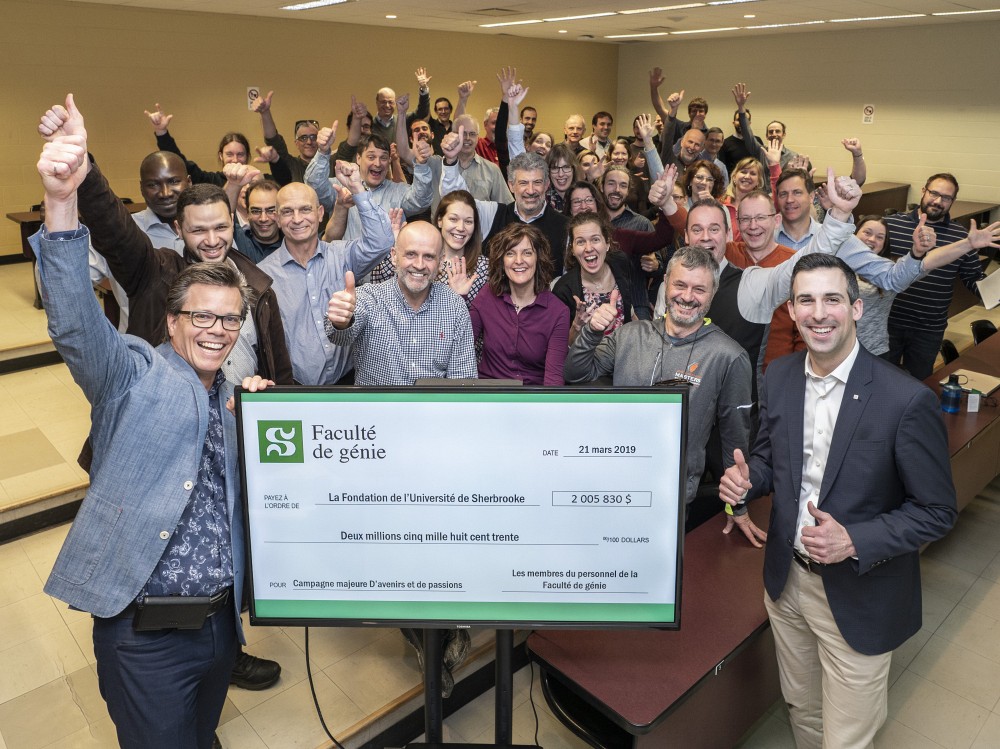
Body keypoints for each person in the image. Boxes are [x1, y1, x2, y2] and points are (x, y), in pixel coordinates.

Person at [33, 123, 274, 748]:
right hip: (144, 635)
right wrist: (61, 201)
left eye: (229, 320)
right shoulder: (132, 375)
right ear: (171, 322)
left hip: (220, 626)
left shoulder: (235, 399)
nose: (216, 330)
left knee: (202, 736)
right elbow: (75, 324)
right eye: (201, 316)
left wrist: (267, 419)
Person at [719, 252, 957, 748]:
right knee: (802, 711)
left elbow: (937, 511)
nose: (819, 313)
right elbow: (769, 459)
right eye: (806, 300)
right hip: (786, 585)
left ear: (856, 308)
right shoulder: (780, 375)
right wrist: (747, 480)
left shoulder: (905, 400)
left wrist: (855, 540)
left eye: (832, 299)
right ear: (791, 310)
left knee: (846, 737)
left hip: (859, 594)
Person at [564, 245, 752, 519]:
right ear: (665, 283)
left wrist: (737, 508)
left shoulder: (729, 356)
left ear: (713, 292)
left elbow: (734, 439)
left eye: (699, 289)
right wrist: (592, 331)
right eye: (680, 285)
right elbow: (575, 374)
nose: (687, 297)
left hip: (671, 499)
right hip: (611, 485)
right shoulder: (629, 335)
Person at [258, 165, 394, 385]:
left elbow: (382, 242)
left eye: (305, 209)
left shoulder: (343, 256)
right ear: (276, 218)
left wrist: (357, 188)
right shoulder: (263, 275)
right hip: (294, 389)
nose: (297, 219)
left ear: (320, 213)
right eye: (287, 211)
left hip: (348, 383)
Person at [325, 221, 476, 385]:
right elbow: (340, 337)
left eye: (429, 256)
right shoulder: (369, 298)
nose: (419, 265)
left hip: (432, 402)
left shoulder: (454, 306)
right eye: (411, 254)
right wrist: (342, 322)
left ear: (440, 262)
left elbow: (463, 380)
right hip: (377, 402)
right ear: (394, 256)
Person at [853, 214, 1000, 358]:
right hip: (840, 347)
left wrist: (968, 244)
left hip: (871, 350)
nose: (872, 239)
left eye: (880, 237)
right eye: (867, 232)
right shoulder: (839, 262)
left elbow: (929, 261)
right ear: (853, 235)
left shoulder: (889, 271)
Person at [885, 173, 984, 379]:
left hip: (928, 328)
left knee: (920, 383)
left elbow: (974, 278)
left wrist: (995, 291)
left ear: (953, 201)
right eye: (934, 193)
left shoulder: (961, 237)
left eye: (946, 198)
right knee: (878, 379)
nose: (938, 201)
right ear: (923, 191)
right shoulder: (891, 225)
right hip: (887, 321)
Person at [441, 150, 568, 277]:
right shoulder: (493, 213)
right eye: (523, 183)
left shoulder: (565, 227)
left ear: (546, 185)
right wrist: (450, 162)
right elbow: (457, 202)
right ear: (511, 185)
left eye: (537, 182)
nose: (530, 190)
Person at [470, 223, 568, 385]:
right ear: (501, 261)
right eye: (510, 253)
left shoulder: (558, 311)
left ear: (538, 258)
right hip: (488, 392)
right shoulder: (487, 295)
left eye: (527, 253)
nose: (519, 261)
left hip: (532, 395)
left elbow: (553, 379)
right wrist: (458, 297)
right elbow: (459, 345)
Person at [371, 189, 489, 304]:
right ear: (440, 220)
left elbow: (484, 315)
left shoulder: (483, 267)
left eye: (468, 221)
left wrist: (459, 298)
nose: (461, 228)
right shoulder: (418, 258)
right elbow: (378, 287)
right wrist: (399, 247)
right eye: (453, 219)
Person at [553, 212, 640, 339]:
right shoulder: (563, 290)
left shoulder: (621, 263)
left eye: (595, 239)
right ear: (572, 249)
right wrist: (576, 326)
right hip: (588, 352)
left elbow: (630, 312)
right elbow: (561, 347)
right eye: (580, 242)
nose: (588, 248)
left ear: (607, 243)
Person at [144, 103, 253, 188]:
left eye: (240, 154)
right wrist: (162, 132)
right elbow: (180, 163)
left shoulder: (256, 180)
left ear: (247, 156)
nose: (235, 160)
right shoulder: (211, 182)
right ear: (221, 156)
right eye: (229, 154)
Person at [234, 178, 283, 263]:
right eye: (256, 211)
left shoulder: (292, 244)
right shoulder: (239, 239)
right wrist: (232, 183)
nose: (263, 219)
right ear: (248, 213)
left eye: (271, 210)